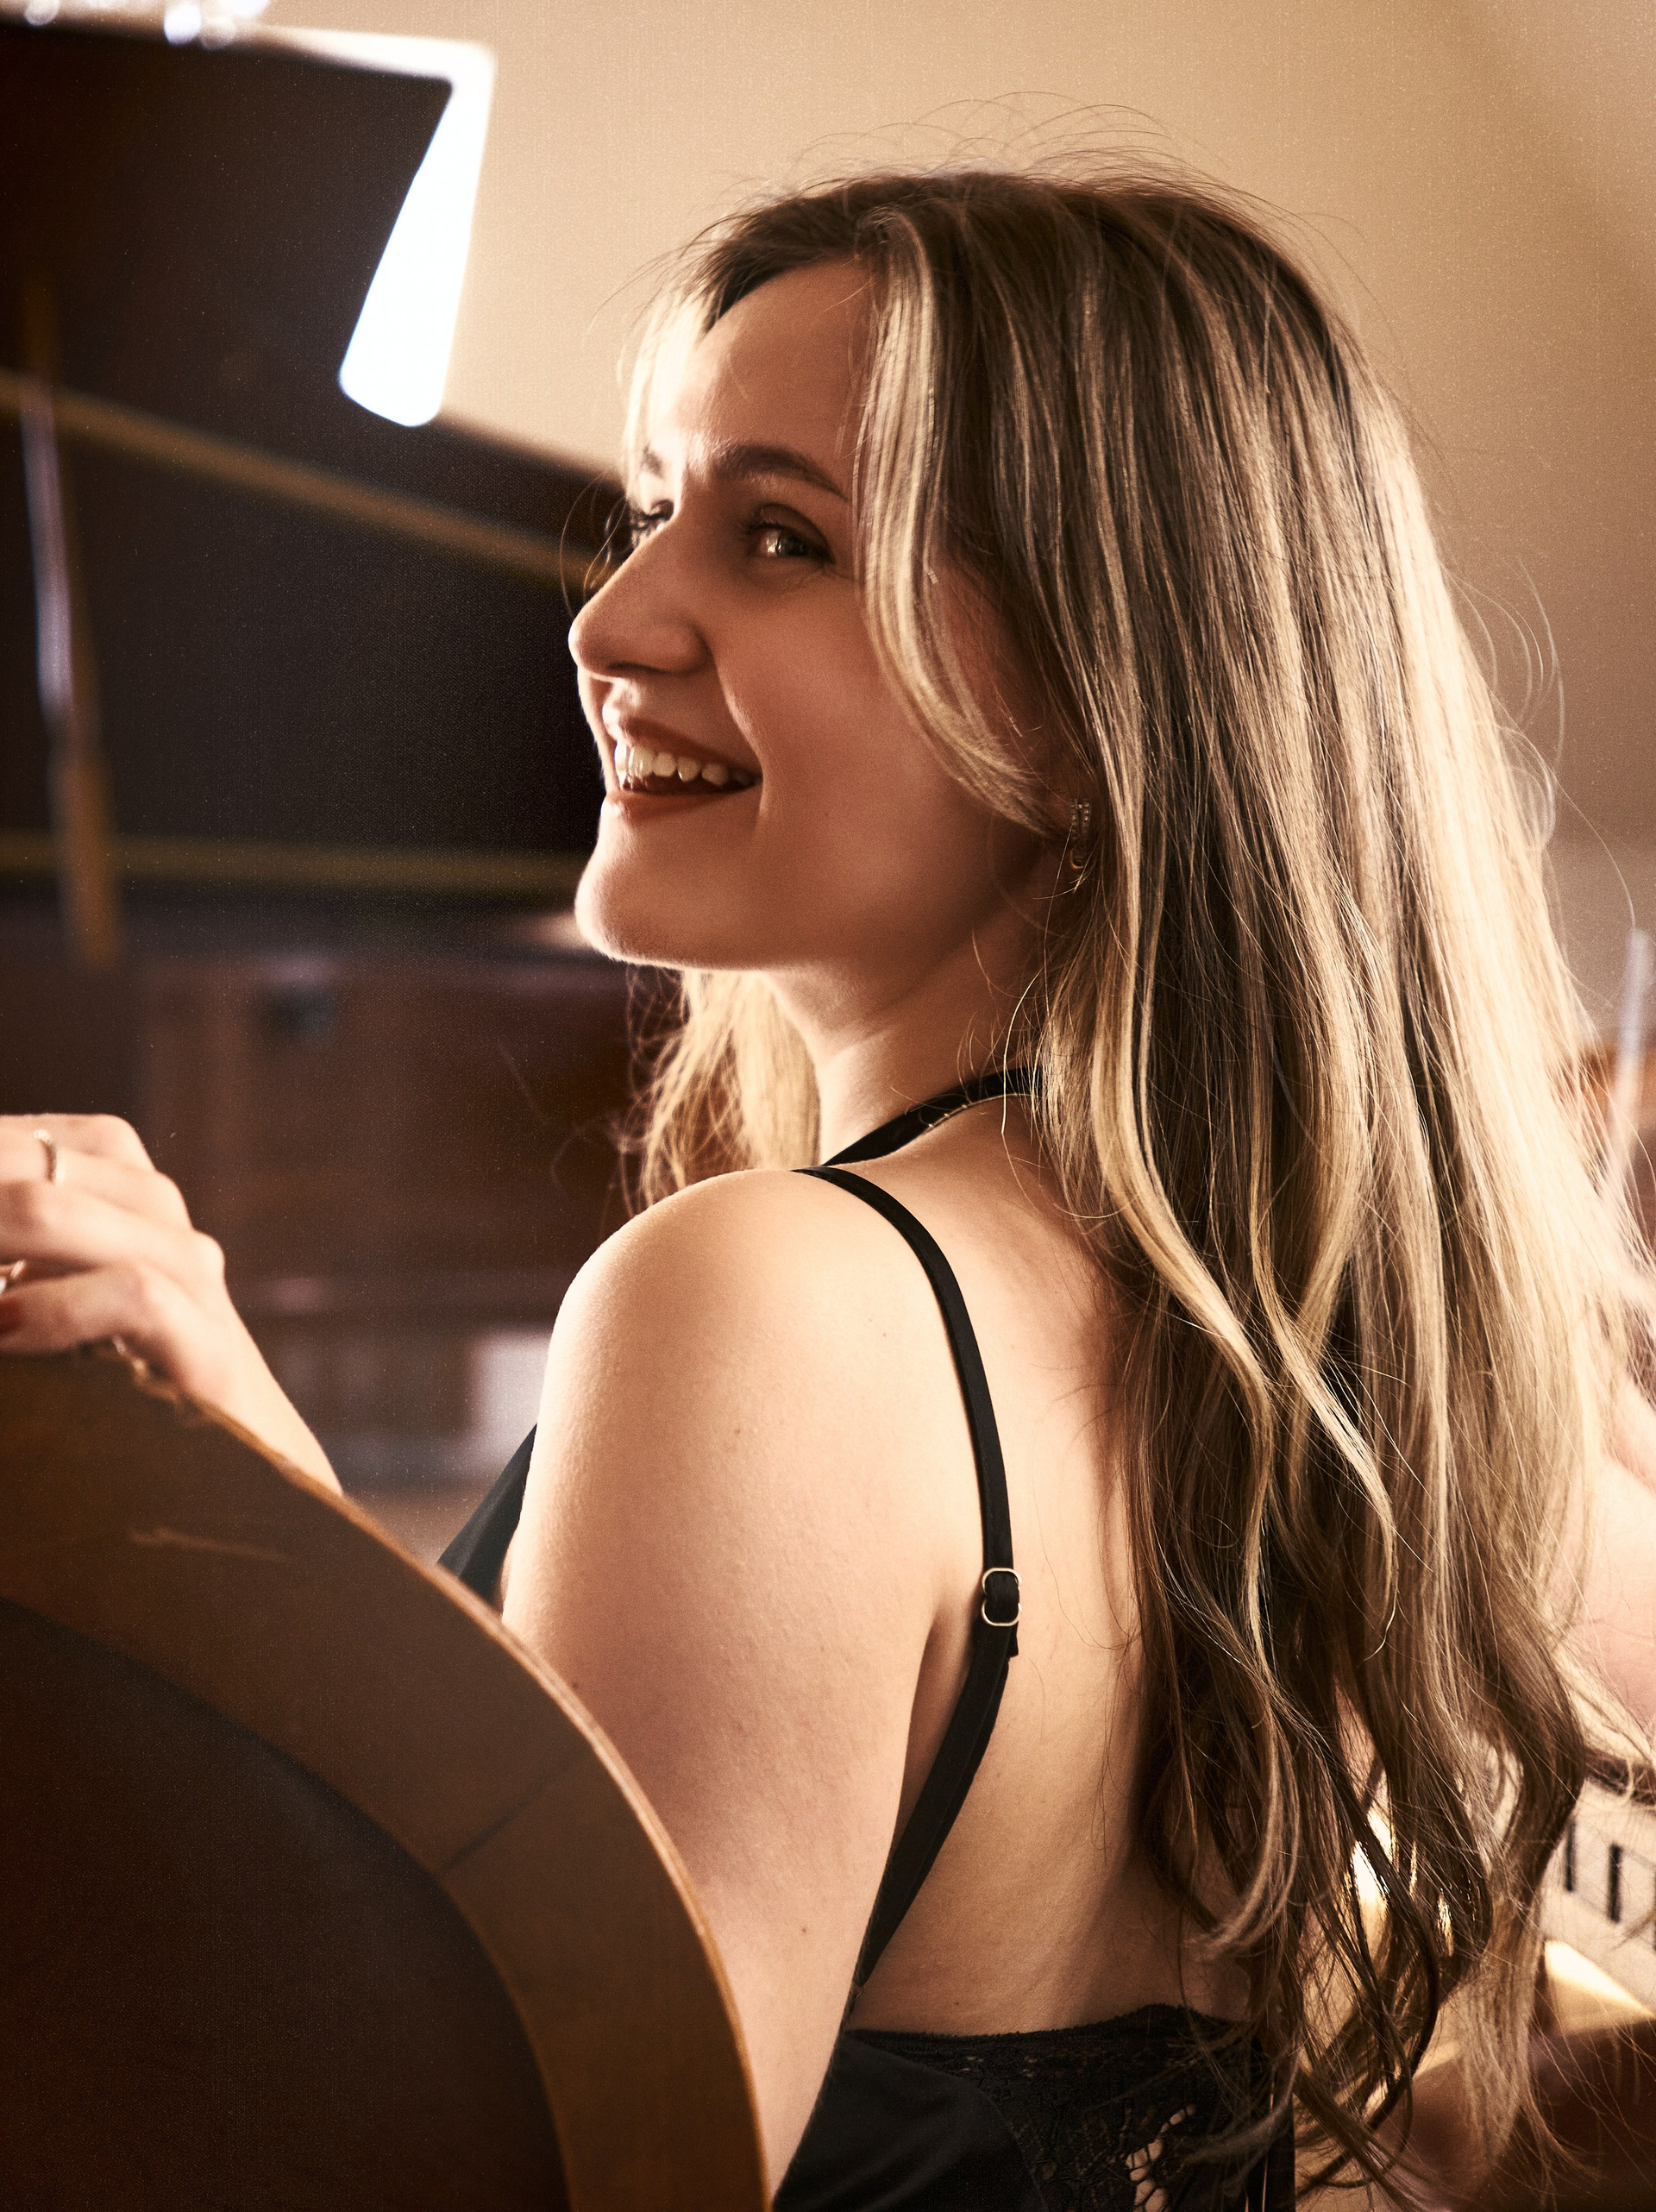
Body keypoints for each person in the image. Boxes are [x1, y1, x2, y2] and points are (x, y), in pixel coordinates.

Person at [4, 165, 1655, 2208]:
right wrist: (288, 1525)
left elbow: (562, 2163)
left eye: (781, 537)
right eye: (652, 507)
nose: (609, 622)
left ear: (1089, 703)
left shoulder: (770, 1298)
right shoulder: (1374, 1319)